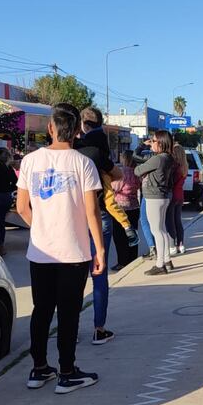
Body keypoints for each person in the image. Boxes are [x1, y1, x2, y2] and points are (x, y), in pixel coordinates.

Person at [16, 103, 105, 393]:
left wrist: (42, 226)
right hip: (73, 252)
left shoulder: (29, 161)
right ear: (78, 130)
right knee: (69, 313)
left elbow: (21, 207)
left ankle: (39, 368)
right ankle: (67, 371)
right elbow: (92, 212)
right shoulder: (83, 164)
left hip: (40, 251)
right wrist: (99, 250)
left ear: (51, 129)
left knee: (41, 311)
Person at [75, 107, 125, 345]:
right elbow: (118, 175)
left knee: (72, 278)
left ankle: (70, 329)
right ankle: (99, 328)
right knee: (99, 274)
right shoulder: (97, 152)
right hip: (100, 214)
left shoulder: (70, 153)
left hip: (73, 219)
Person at [135, 130, 176, 276]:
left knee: (156, 231)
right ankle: (166, 260)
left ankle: (160, 264)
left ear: (161, 142)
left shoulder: (157, 159)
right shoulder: (169, 158)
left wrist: (143, 167)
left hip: (154, 196)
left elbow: (137, 170)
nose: (151, 143)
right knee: (162, 229)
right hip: (163, 195)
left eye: (153, 141)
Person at [110, 153, 141, 271]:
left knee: (120, 236)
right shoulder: (136, 172)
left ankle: (122, 261)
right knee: (133, 234)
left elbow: (115, 187)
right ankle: (133, 258)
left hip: (121, 207)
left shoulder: (122, 172)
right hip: (134, 206)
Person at [167, 143, 188, 255]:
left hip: (173, 195)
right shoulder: (184, 166)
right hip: (180, 195)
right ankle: (181, 244)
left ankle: (172, 245)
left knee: (171, 222)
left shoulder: (175, 167)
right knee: (178, 221)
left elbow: (171, 182)